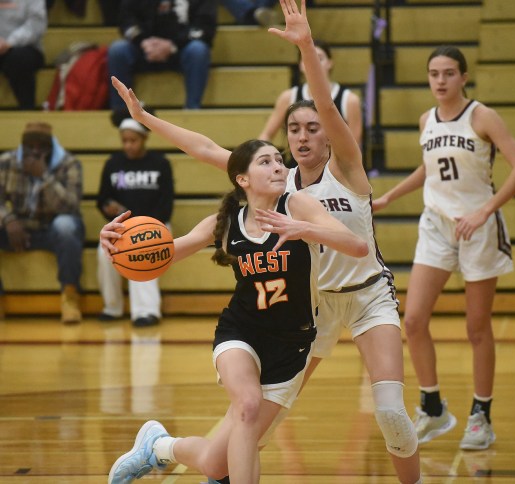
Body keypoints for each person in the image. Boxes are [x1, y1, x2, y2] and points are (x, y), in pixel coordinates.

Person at [109, 0, 422, 481]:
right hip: (311, 310)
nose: (301, 136)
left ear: (329, 134)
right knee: (243, 438)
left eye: (312, 128)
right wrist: (146, 118)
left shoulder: (347, 168)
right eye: (292, 129)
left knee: (392, 414)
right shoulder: (280, 183)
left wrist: (306, 48)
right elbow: (207, 149)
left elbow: (325, 104)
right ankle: (166, 448)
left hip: (366, 298)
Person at [104, 136, 369, 483]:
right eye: (265, 162)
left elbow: (359, 246)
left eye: (279, 160)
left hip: (292, 346)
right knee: (247, 403)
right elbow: (167, 252)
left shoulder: (298, 207)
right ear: (242, 179)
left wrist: (303, 228)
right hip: (240, 333)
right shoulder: (229, 221)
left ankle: (159, 447)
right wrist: (116, 245)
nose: (277, 166)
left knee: (217, 465)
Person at [373, 45, 515, 450]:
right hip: (437, 225)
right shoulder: (426, 118)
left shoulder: (482, 116)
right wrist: (390, 197)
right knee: (412, 321)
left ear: (464, 77)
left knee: (476, 327)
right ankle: (433, 408)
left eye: (448, 73)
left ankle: (482, 415)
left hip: (478, 227)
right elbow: (430, 167)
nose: (440, 81)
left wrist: (485, 211)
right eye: (433, 74)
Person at [0, 121, 85, 323]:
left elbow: (70, 206)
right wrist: (8, 219)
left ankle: (70, 297)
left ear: (50, 147)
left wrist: (45, 177)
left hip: (52, 229)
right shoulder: (7, 162)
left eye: (41, 147)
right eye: (30, 147)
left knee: (66, 226)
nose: (35, 152)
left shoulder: (69, 163)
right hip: (19, 227)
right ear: (23, 145)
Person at [96, 109, 174, 327]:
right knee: (104, 255)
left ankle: (146, 311)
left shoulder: (160, 164)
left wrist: (145, 225)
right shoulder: (112, 164)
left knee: (144, 250)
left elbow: (166, 204)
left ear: (144, 138)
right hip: (121, 227)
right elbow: (102, 198)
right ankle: (112, 307)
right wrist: (108, 207)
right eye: (125, 141)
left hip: (155, 224)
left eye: (133, 140)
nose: (128, 145)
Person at [107, 0, 217, 110]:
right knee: (118, 50)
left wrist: (172, 45)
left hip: (181, 49)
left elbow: (204, 27)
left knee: (198, 50)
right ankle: (121, 112)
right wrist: (142, 42)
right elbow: (126, 20)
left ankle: (192, 109)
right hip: (144, 48)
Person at [258, 37, 363, 149]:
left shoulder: (349, 100)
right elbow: (266, 135)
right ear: (300, 66)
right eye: (307, 59)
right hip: (298, 164)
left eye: (319, 58)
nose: (313, 63)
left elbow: (354, 147)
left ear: (330, 63)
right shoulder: (288, 97)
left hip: (333, 165)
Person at [0, 0, 46, 110]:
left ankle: (27, 111)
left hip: (24, 47)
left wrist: (9, 42)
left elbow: (36, 25)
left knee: (19, 59)